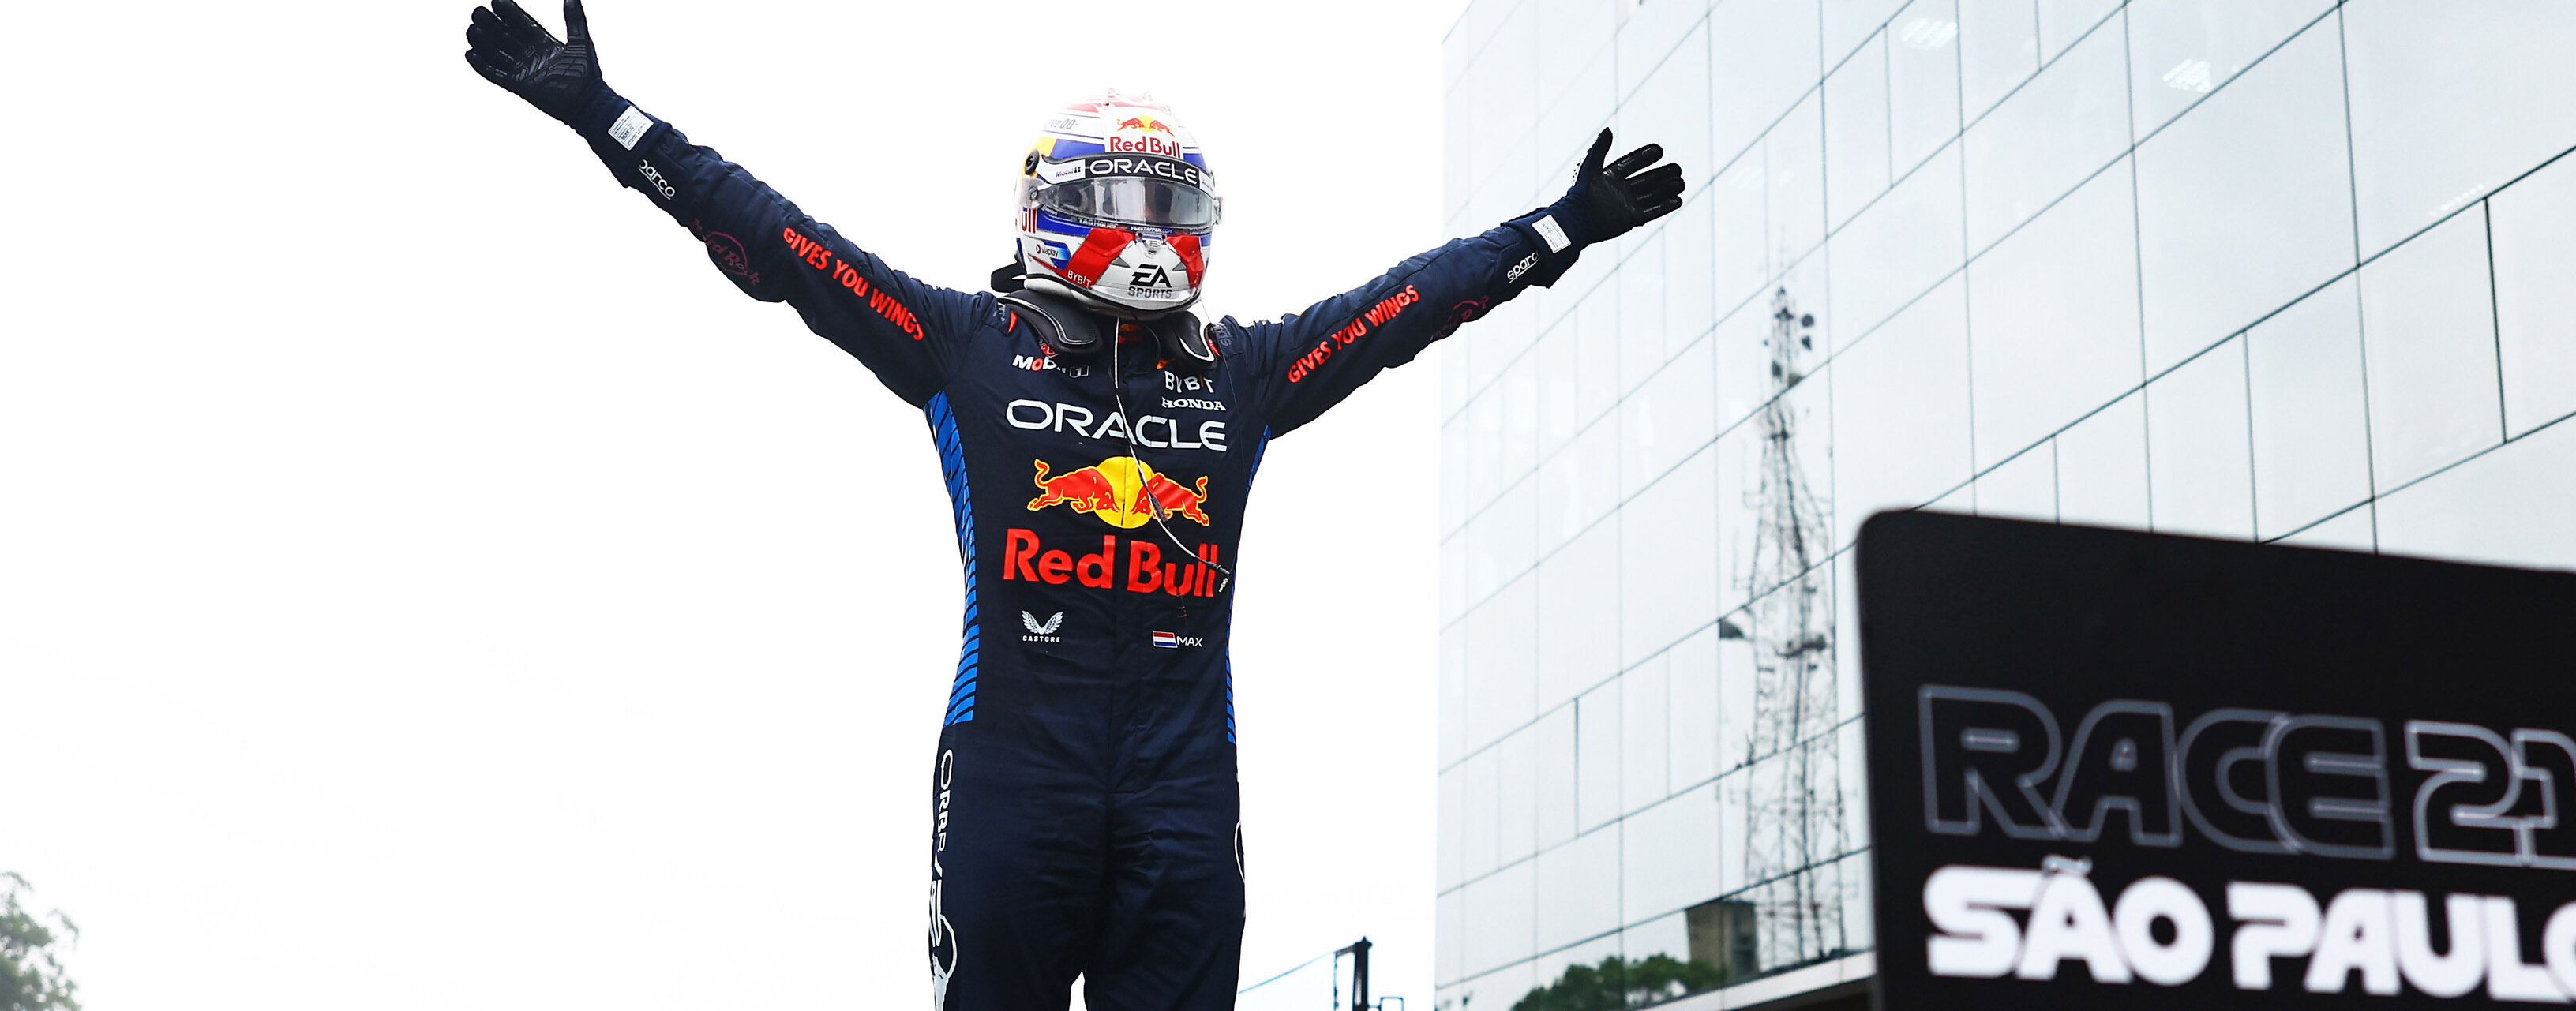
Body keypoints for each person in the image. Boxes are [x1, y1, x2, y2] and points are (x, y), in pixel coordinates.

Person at [462, 3, 1685, 1008]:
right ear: (1057, 207)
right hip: (1014, 771)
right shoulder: (962, 343)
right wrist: (606, 120)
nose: (1157, 234)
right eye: (1131, 206)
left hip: (1183, 783)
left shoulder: (1244, 371)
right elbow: (780, 242)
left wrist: (1556, 229)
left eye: (1177, 210)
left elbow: (1405, 307)